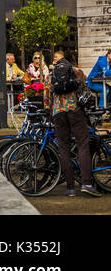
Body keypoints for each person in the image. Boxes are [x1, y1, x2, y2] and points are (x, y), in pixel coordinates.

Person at [51, 50, 100, 197]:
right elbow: (85, 92)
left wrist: (50, 114)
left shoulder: (51, 74)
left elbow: (47, 98)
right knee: (83, 144)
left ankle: (70, 189)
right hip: (75, 110)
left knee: (64, 148)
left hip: (58, 112)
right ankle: (86, 183)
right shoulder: (78, 72)